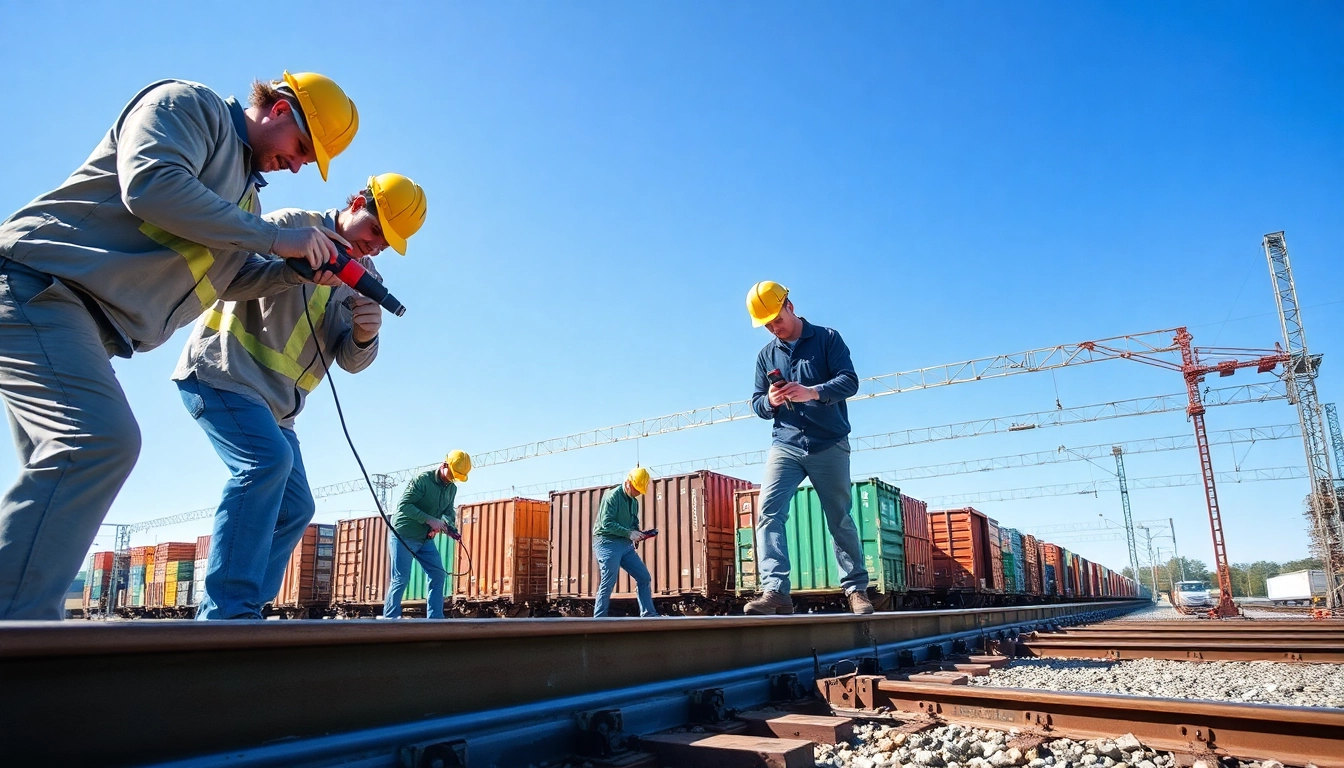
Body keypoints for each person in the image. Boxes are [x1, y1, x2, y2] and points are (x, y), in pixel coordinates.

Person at [0, 71, 359, 620]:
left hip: (83, 325)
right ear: (281, 109)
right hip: (37, 286)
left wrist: (294, 272)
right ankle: (20, 640)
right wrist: (275, 239)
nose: (299, 164)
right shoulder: (191, 107)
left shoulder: (244, 202)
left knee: (61, 490)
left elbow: (230, 279)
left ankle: (24, 630)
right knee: (98, 444)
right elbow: (150, 184)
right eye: (303, 147)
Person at [176, 174, 428, 619]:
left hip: (277, 411)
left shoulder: (365, 278)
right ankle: (225, 612)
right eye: (374, 231)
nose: (375, 246)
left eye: (387, 244)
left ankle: (247, 604)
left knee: (297, 506)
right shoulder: (293, 226)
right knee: (265, 464)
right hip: (223, 374)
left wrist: (366, 336)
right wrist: (293, 268)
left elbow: (350, 360)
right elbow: (227, 279)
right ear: (355, 202)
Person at [742, 281, 873, 616]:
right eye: (767, 324)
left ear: (790, 305)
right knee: (768, 512)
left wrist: (812, 391)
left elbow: (850, 381)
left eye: (776, 319)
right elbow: (756, 403)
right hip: (785, 444)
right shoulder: (765, 356)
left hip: (829, 443)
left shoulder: (828, 339)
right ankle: (775, 591)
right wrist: (769, 401)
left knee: (839, 518)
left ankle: (857, 590)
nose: (774, 327)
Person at [384, 451, 471, 619]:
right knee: (400, 578)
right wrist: (430, 520)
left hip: (424, 539)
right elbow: (403, 506)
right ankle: (390, 620)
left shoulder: (451, 488)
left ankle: (435, 619)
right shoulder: (422, 481)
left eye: (456, 477)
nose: (452, 479)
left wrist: (447, 526)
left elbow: (448, 512)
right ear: (444, 465)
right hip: (403, 535)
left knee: (438, 574)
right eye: (452, 474)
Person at [593, 467, 660, 618]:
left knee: (644, 577)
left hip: (625, 544)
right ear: (628, 483)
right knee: (608, 581)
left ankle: (649, 615)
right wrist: (629, 533)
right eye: (637, 489)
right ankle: (598, 620)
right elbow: (606, 524)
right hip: (607, 542)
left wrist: (638, 533)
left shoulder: (634, 502)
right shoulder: (611, 496)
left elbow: (633, 522)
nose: (638, 493)